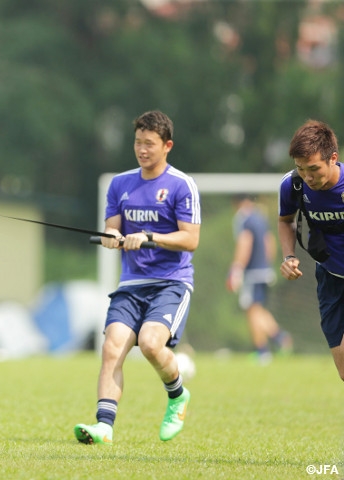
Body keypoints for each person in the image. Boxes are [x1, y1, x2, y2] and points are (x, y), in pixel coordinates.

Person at [74, 110, 201, 445]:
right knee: (112, 348)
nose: (142, 149)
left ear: (167, 145)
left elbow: (190, 239)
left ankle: (177, 395)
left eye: (149, 143)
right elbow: (111, 229)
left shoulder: (181, 185)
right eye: (137, 142)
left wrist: (149, 236)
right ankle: (104, 426)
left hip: (171, 283)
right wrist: (110, 237)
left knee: (149, 344)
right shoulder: (120, 184)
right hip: (131, 284)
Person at [278, 119, 344, 381]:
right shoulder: (292, 185)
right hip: (329, 277)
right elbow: (285, 220)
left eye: (314, 168)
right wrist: (289, 256)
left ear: (333, 159)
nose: (307, 176)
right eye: (300, 168)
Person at [227, 194, 293, 364]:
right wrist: (267, 264)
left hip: (252, 272)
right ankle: (280, 338)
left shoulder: (244, 219)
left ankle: (262, 351)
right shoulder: (260, 217)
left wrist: (236, 269)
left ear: (237, 203)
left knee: (252, 310)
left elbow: (245, 243)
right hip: (264, 270)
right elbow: (269, 242)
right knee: (258, 308)